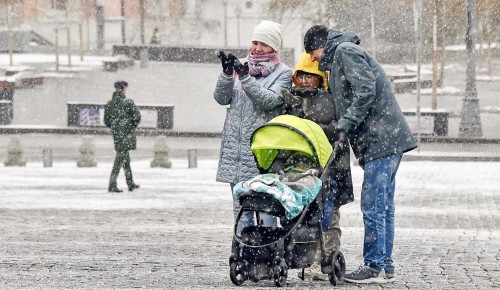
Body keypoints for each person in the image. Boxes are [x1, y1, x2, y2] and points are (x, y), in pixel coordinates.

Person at [303, 25, 417, 284]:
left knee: (374, 205)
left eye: (312, 51)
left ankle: (374, 266)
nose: (311, 58)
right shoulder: (343, 54)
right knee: (384, 206)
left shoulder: (344, 51)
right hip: (386, 139)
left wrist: (345, 124)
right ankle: (385, 265)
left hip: (381, 140)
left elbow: (365, 90)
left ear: (323, 44)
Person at [213, 20, 292, 230]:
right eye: (255, 42)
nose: (257, 48)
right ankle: (243, 255)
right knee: (241, 210)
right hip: (236, 150)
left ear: (274, 47)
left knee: (266, 208)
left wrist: (246, 77)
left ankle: (267, 253)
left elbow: (267, 100)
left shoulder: (283, 73)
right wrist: (227, 74)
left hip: (262, 152)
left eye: (264, 44)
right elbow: (221, 98)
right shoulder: (240, 65)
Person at [282, 52, 354, 281]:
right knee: (306, 214)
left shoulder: (329, 102)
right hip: (304, 168)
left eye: (309, 76)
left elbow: (331, 133)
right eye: (300, 75)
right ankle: (310, 258)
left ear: (321, 78)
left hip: (329, 169)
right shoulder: (294, 100)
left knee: (328, 213)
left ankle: (329, 254)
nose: (304, 80)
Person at [104, 81, 142, 193]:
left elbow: (106, 121)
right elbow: (137, 116)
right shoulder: (128, 102)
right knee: (120, 160)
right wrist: (130, 126)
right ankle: (112, 184)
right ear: (123, 89)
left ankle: (130, 183)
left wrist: (116, 127)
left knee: (125, 159)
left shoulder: (110, 104)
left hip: (117, 135)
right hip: (126, 134)